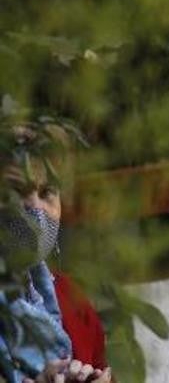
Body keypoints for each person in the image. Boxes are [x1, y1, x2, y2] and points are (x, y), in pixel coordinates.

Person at [1, 153, 111, 383]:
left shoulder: (70, 295)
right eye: (15, 192)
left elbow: (104, 369)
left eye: (46, 192)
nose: (36, 209)